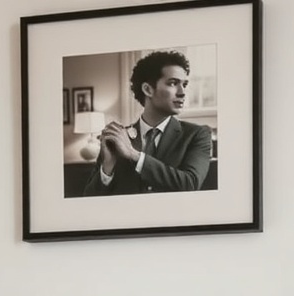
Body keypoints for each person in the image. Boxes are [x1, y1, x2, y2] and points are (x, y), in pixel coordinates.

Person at [84, 50, 212, 196]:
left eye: (184, 84)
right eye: (173, 83)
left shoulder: (197, 135)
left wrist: (133, 155)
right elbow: (89, 198)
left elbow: (190, 184)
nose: (182, 92)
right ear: (148, 89)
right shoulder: (116, 138)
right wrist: (107, 168)